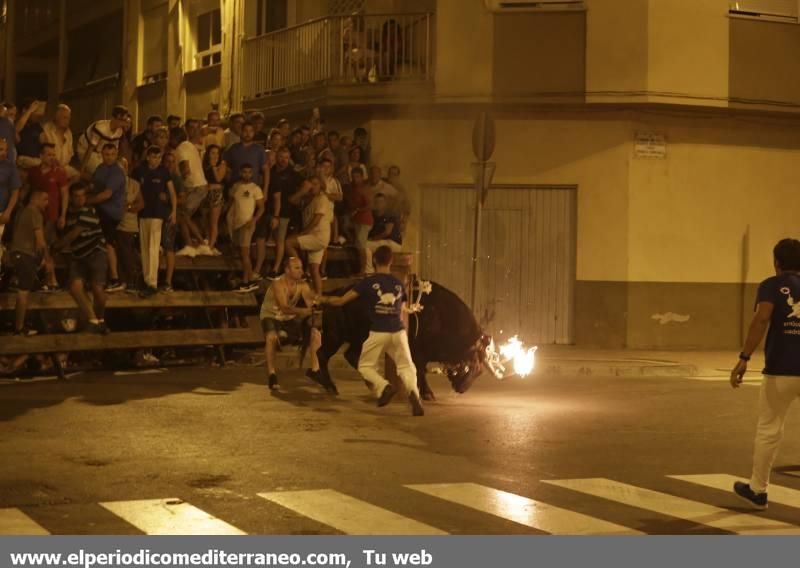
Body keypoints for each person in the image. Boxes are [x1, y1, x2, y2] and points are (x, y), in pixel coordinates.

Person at [730, 238, 800, 510]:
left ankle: (758, 490)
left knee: (769, 429)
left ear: (777, 263)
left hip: (781, 370)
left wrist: (744, 358)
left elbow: (761, 320)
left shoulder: (771, 286)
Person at [319, 245, 424, 416]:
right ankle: (414, 394)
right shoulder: (398, 284)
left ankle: (384, 387)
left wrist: (322, 299)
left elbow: (341, 301)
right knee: (406, 366)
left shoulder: (367, 283)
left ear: (374, 261)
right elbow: (402, 309)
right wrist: (411, 309)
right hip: (399, 332)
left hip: (378, 331)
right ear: (390, 261)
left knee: (365, 366)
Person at [53, 182, 110, 334]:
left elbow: (73, 235)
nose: (80, 199)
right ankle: (93, 320)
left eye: (82, 196)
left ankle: (101, 319)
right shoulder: (68, 213)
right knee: (75, 287)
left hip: (95, 252)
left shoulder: (89, 210)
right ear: (71, 197)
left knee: (98, 289)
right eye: (76, 196)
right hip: (78, 256)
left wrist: (55, 247)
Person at [260, 256, 322, 391]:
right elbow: (284, 307)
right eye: (297, 268)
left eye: (301, 267)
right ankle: (272, 374)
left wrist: (316, 303)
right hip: (271, 316)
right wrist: (304, 311)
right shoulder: (278, 283)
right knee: (271, 338)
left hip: (288, 318)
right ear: (287, 270)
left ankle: (315, 370)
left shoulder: (303, 284)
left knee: (315, 334)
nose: (301, 271)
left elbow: (311, 303)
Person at [9, 189, 49, 336]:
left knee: (26, 290)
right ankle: (19, 328)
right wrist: (45, 260)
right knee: (23, 293)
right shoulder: (34, 212)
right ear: (36, 199)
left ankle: (20, 324)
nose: (47, 203)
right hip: (25, 254)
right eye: (45, 199)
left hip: (16, 254)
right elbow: (40, 240)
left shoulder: (22, 212)